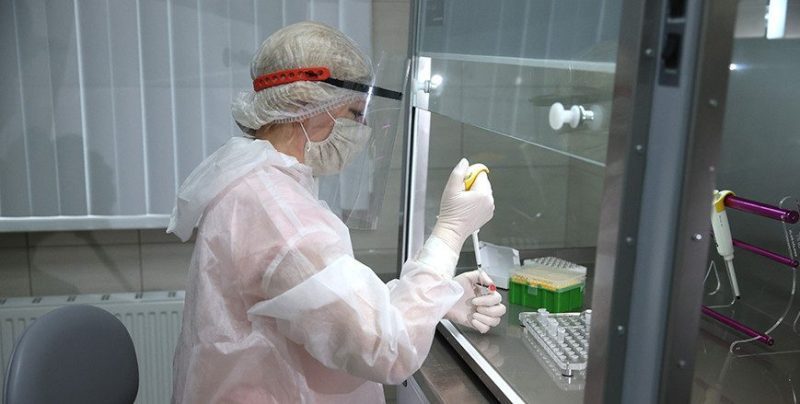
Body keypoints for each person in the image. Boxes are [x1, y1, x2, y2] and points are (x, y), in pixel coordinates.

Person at [168, 21, 504, 403]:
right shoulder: (279, 215)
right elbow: (387, 349)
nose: (362, 128)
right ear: (303, 104)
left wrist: (439, 298)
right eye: (354, 112)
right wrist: (450, 232)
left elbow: (322, 307)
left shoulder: (257, 184)